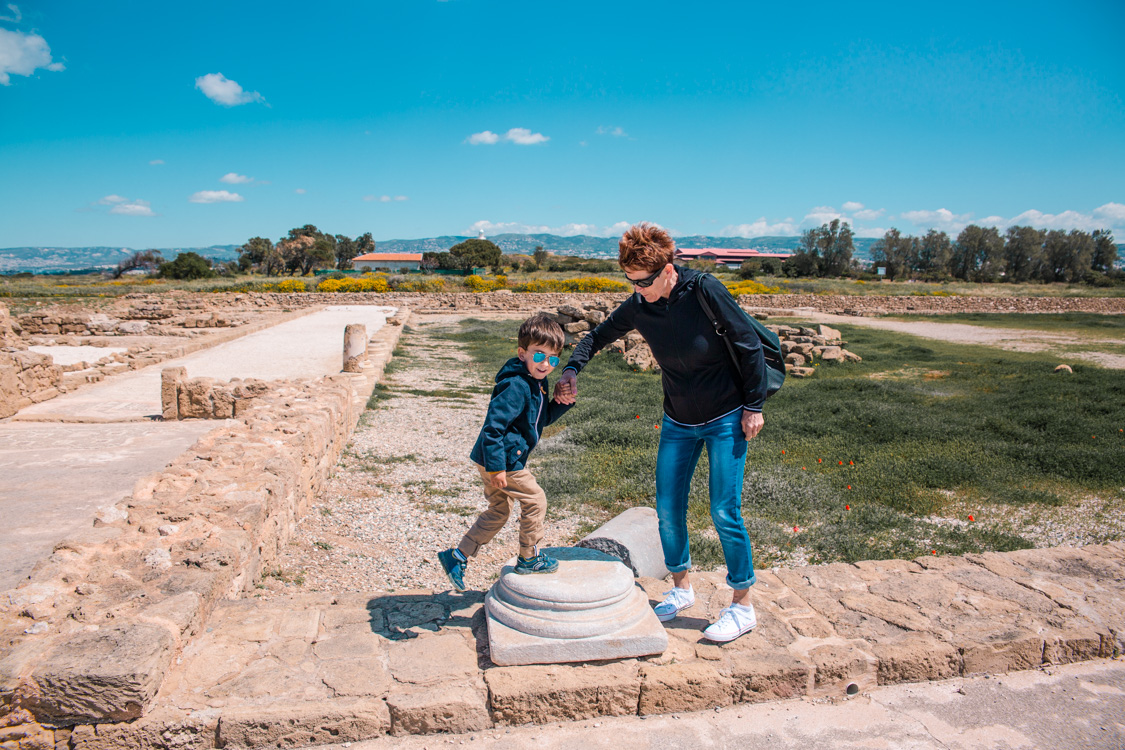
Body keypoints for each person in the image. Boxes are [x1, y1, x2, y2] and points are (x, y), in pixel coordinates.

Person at [553, 222, 767, 642]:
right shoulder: (639, 304)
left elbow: (748, 343)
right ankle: (681, 589)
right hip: (678, 420)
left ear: (669, 269)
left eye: (645, 282)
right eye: (631, 282)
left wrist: (754, 406)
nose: (638, 290)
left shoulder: (705, 289)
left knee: (725, 510)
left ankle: (742, 605)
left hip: (727, 418)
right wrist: (572, 369)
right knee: (668, 510)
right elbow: (596, 336)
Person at [438, 313, 575, 591]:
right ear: (522, 352)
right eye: (539, 355)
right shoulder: (516, 385)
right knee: (536, 500)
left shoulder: (535, 380)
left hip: (492, 458)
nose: (545, 364)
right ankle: (529, 557)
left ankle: (458, 556)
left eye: (552, 359)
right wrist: (498, 467)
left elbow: (541, 418)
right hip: (503, 459)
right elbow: (493, 427)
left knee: (499, 510)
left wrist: (562, 403)